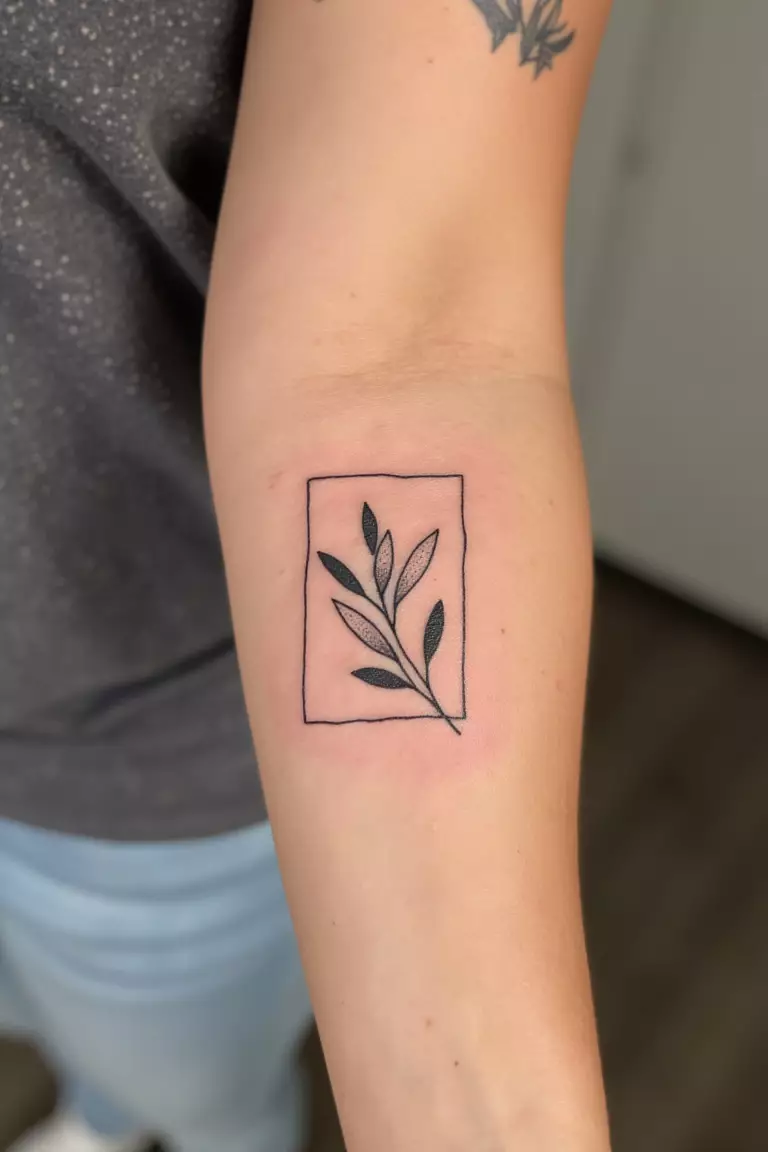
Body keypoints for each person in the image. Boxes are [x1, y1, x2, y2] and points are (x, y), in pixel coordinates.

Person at [0, 0, 614, 1149]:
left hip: (135, 759)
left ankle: (124, 1115)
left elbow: (396, 351)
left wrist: (481, 1116)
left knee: (188, 1087)